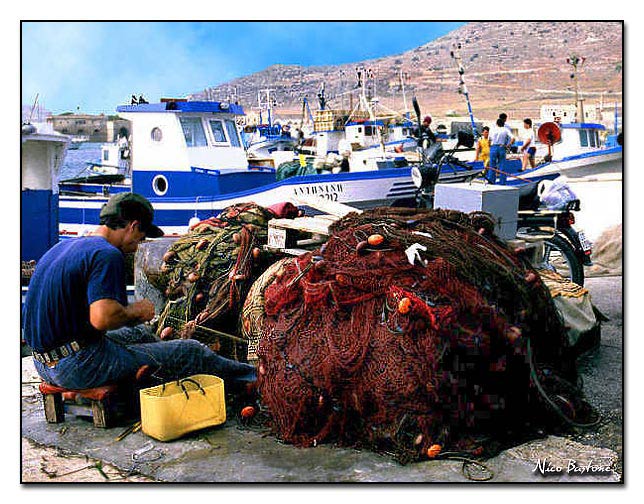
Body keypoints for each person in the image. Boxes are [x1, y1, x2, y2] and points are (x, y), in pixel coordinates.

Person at [22, 193, 257, 391]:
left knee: (141, 335)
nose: (137, 246)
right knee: (191, 351)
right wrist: (136, 311)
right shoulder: (106, 254)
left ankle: (158, 362)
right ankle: (254, 378)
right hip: (77, 366)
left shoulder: (62, 247)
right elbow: (102, 317)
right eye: (140, 238)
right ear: (133, 226)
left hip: (43, 363)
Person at [487, 116, 515, 184]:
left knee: (492, 166)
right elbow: (513, 138)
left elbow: (489, 140)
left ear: (496, 124)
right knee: (502, 165)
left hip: (493, 147)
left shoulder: (492, 129)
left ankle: (491, 181)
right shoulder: (505, 129)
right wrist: (508, 145)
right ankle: (502, 182)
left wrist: (490, 147)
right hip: (501, 147)